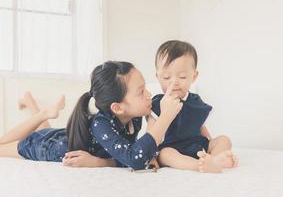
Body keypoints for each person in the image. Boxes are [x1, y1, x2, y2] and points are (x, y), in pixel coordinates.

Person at [0, 61, 182, 171]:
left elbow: (130, 153)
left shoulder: (133, 115)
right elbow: (133, 158)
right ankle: (42, 113)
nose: (149, 95)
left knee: (48, 131)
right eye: (141, 92)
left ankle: (31, 103)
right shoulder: (100, 125)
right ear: (118, 107)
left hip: (66, 136)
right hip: (51, 148)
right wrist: (100, 163)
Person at [151, 40, 238, 173]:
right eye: (167, 77)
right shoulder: (157, 103)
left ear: (194, 76)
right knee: (165, 154)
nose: (174, 82)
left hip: (197, 145)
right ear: (158, 77)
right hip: (172, 148)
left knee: (224, 140)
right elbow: (153, 133)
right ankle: (198, 165)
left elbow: (199, 123)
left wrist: (210, 142)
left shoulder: (195, 101)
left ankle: (213, 160)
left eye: (182, 76)